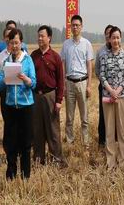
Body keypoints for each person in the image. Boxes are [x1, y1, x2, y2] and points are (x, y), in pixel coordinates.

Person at [0, 28, 36, 180]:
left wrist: (26, 79)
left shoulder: (28, 60)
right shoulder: (6, 61)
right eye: (12, 43)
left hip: (26, 107)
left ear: (21, 43)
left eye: (17, 43)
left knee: (26, 143)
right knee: (10, 143)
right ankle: (11, 175)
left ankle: (25, 176)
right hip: (10, 107)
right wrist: (6, 79)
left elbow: (34, 83)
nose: (14, 46)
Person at [31, 25, 67, 166]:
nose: (40, 38)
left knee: (53, 130)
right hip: (36, 96)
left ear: (49, 38)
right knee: (37, 129)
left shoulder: (55, 57)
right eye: (38, 36)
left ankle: (57, 159)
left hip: (50, 95)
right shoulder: (33, 56)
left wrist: (59, 100)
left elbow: (61, 81)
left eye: (42, 36)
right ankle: (38, 159)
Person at [60, 14, 94, 146]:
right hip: (69, 82)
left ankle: (86, 143)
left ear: (81, 27)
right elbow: (63, 65)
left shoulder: (87, 44)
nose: (75, 27)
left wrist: (89, 85)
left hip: (82, 82)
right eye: (73, 25)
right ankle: (70, 142)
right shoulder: (66, 44)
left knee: (84, 117)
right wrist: (63, 85)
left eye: (77, 25)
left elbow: (89, 66)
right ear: (70, 27)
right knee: (69, 117)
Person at [99, 26, 124, 169]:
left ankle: (123, 161)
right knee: (110, 131)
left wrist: (117, 91)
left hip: (121, 97)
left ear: (120, 39)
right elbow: (102, 75)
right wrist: (111, 91)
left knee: (122, 130)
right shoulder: (104, 56)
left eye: (118, 37)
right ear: (109, 39)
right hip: (108, 97)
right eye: (113, 38)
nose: (116, 40)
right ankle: (110, 162)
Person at [95, 25, 114, 148]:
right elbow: (97, 70)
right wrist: (105, 83)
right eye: (107, 33)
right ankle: (102, 141)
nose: (109, 36)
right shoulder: (100, 51)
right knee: (103, 114)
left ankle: (114, 140)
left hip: (116, 90)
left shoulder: (118, 50)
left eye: (111, 33)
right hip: (103, 88)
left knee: (115, 115)